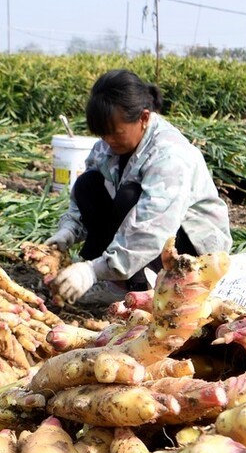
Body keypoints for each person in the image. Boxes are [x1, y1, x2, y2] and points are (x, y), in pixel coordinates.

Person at [46, 69, 231, 304]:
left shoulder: (170, 155)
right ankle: (113, 281)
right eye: (103, 134)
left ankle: (132, 283)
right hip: (148, 234)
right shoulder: (108, 147)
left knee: (129, 196)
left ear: (143, 118)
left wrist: (92, 271)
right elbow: (85, 199)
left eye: (115, 133)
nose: (108, 141)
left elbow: (153, 227)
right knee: (87, 184)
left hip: (192, 248)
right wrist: (68, 231)